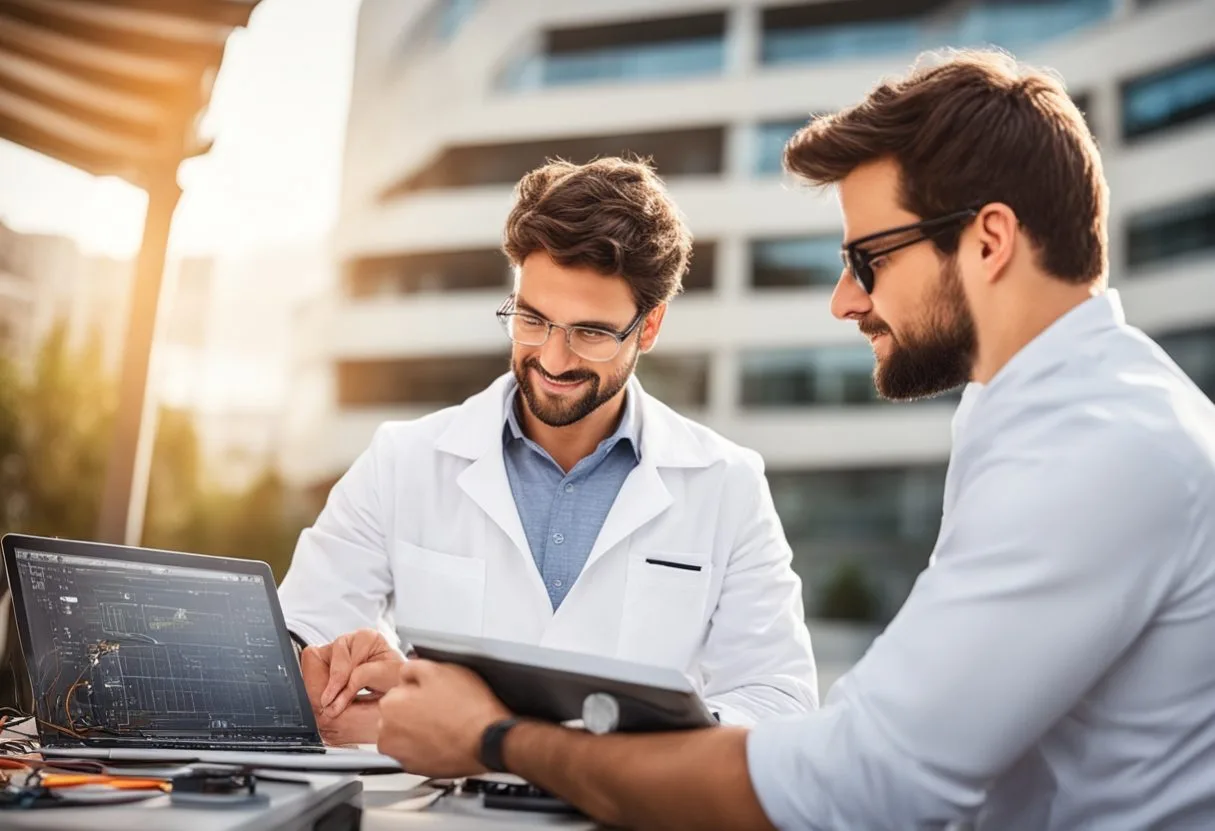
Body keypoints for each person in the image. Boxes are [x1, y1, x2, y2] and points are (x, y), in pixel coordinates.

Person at [371, 50, 1215, 830]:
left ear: (988, 241)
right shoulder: (1046, 415)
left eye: (869, 258)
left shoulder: (1094, 449)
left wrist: (497, 738)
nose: (844, 300)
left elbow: (859, 784)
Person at [279, 157, 819, 745]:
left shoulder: (727, 483)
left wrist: (514, 736)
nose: (554, 360)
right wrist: (339, 677)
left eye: (591, 332)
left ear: (649, 326)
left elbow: (779, 697)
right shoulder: (401, 461)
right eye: (532, 320)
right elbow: (299, 636)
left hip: (621, 797)